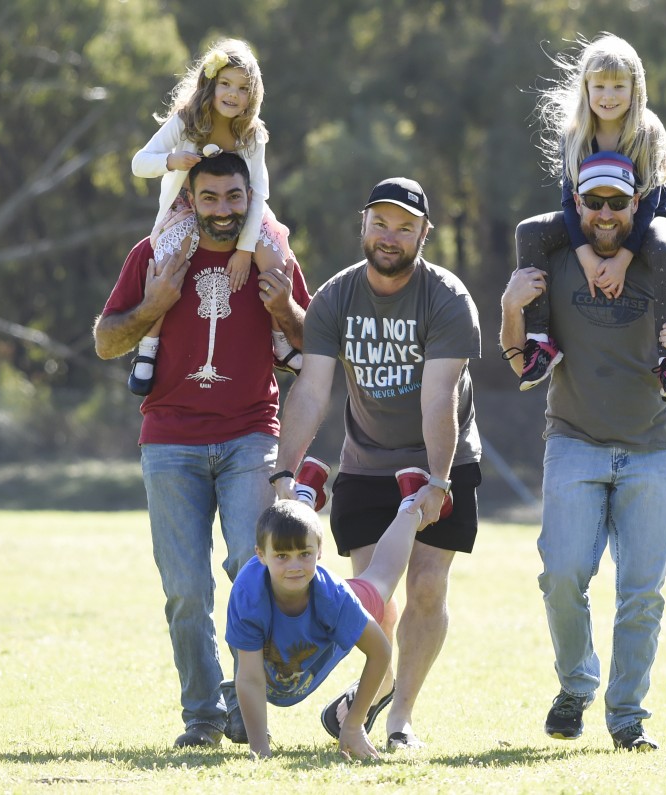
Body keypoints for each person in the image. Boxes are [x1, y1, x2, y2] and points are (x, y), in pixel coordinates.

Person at [93, 151, 311, 748]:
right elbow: (107, 340)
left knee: (253, 566)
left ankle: (247, 702)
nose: (222, 211)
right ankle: (202, 717)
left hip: (250, 433)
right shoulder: (156, 254)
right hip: (169, 439)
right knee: (185, 588)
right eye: (209, 198)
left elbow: (312, 346)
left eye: (234, 198)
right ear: (189, 198)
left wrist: (282, 306)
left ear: (251, 197)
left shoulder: (272, 254)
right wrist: (153, 307)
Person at [500, 152, 666, 751]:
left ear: (635, 205)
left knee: (642, 592)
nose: (606, 214)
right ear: (577, 207)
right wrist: (512, 307)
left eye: (618, 202)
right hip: (574, 440)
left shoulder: (664, 265)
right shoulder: (553, 259)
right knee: (561, 574)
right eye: (594, 203)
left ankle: (627, 717)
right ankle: (576, 684)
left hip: (651, 446)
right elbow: (521, 363)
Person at [269, 177, 482, 753]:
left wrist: (437, 481)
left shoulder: (447, 298)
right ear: (363, 225)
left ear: (423, 235)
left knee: (428, 588)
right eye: (381, 223)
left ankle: (399, 718)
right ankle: (359, 708)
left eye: (405, 227)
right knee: (376, 600)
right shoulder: (335, 298)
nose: (391, 236)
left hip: (445, 458)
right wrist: (283, 476)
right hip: (367, 463)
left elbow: (441, 398)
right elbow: (312, 391)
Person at [514, 33, 666, 401]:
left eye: (618, 86)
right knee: (528, 231)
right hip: (590, 218)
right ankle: (540, 341)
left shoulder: (648, 131)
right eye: (599, 86)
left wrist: (623, 259)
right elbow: (570, 201)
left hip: (647, 218)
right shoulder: (575, 134)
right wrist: (586, 254)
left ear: (635, 88)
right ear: (586, 87)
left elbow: (649, 202)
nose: (608, 96)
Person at [128, 38, 300, 396]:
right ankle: (147, 350)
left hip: (241, 206)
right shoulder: (187, 121)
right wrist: (171, 161)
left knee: (274, 257)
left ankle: (280, 340)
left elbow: (260, 194)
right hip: (187, 206)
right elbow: (139, 162)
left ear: (253, 95)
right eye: (226, 84)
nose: (233, 95)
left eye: (243, 88)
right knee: (169, 259)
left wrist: (245, 249)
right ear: (210, 84)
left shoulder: (252, 135)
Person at [227, 474, 435, 760]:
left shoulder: (335, 598)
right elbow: (250, 678)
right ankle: (304, 496)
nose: (295, 566)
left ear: (319, 553)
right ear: (261, 555)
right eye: (282, 556)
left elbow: (380, 651)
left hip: (330, 610)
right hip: (282, 619)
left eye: (305, 554)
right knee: (292, 531)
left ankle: (411, 507)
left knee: (383, 578)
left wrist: (354, 724)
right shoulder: (248, 597)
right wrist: (259, 749)